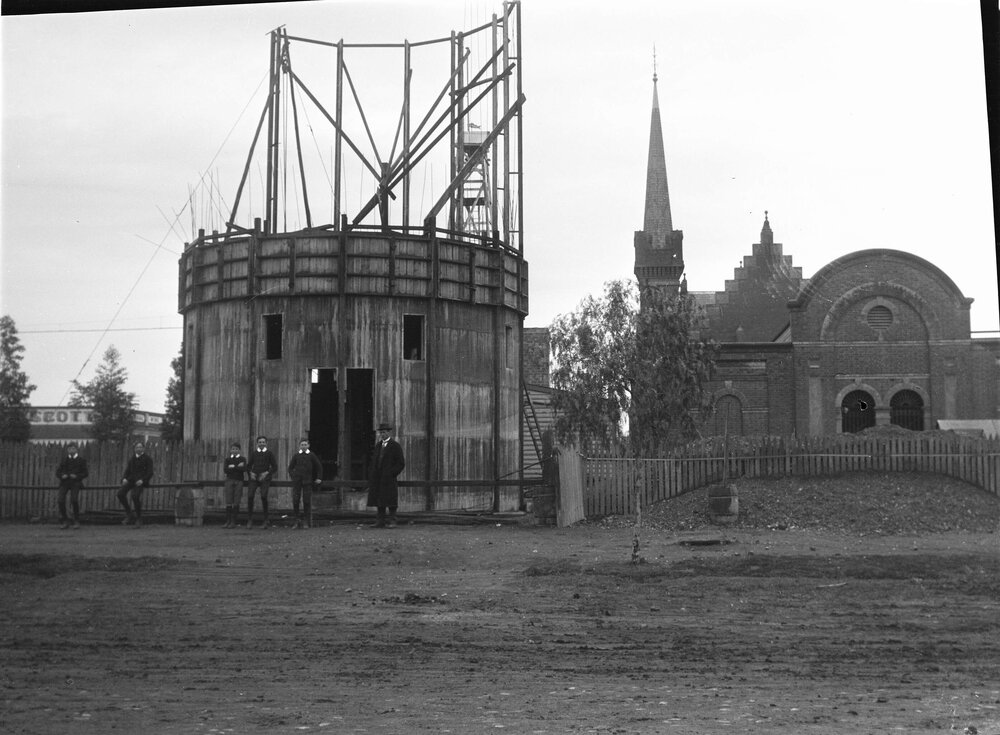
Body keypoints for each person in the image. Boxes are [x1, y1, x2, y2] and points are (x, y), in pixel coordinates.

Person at [367, 422, 405, 528]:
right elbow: (374, 461)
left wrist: (391, 473)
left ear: (389, 432)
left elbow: (401, 463)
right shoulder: (378, 446)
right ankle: (380, 521)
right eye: (381, 433)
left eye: (384, 432)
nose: (382, 434)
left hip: (389, 479)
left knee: (391, 501)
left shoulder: (395, 446)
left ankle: (392, 521)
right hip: (378, 479)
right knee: (380, 500)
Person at [287, 438, 322, 529]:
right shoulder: (296, 456)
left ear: (308, 445)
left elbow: (319, 467)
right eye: (302, 445)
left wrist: (319, 478)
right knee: (296, 500)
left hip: (307, 482)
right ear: (299, 446)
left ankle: (306, 521)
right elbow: (290, 468)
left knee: (306, 501)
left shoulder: (311, 455)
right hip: (297, 482)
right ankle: (297, 520)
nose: (303, 446)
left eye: (305, 445)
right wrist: (293, 476)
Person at [118, 441, 154, 527]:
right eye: (137, 447)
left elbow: (150, 472)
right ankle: (129, 514)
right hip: (131, 481)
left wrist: (143, 480)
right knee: (120, 494)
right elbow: (127, 471)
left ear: (143, 448)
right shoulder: (132, 459)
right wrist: (124, 479)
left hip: (140, 482)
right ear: (134, 449)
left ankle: (138, 518)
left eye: (140, 447)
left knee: (135, 496)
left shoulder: (148, 459)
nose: (138, 449)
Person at [246, 435, 278, 529]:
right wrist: (250, 473)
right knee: (250, 496)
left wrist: (267, 473)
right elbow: (248, 466)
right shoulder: (254, 453)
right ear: (257, 443)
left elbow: (275, 467)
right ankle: (250, 519)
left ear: (266, 443)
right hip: (254, 477)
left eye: (263, 442)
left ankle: (266, 520)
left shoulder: (269, 453)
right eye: (260, 442)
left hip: (265, 478)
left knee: (263, 496)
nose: (261, 444)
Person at [55, 443, 88, 530]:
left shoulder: (81, 460)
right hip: (64, 483)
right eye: (69, 449)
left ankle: (76, 520)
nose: (71, 450)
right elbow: (57, 472)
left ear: (76, 450)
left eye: (73, 449)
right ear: (67, 450)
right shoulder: (64, 460)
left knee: (74, 500)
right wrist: (62, 476)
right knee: (60, 500)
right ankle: (65, 520)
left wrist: (77, 476)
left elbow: (85, 473)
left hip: (75, 483)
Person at [222, 442, 247, 529]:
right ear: (230, 450)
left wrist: (232, 466)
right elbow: (226, 470)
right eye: (233, 449)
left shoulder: (243, 459)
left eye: (236, 449)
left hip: (239, 481)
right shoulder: (227, 460)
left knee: (236, 500)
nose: (234, 450)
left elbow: (243, 469)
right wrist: (237, 467)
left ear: (239, 450)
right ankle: (227, 521)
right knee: (229, 500)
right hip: (229, 481)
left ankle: (233, 521)